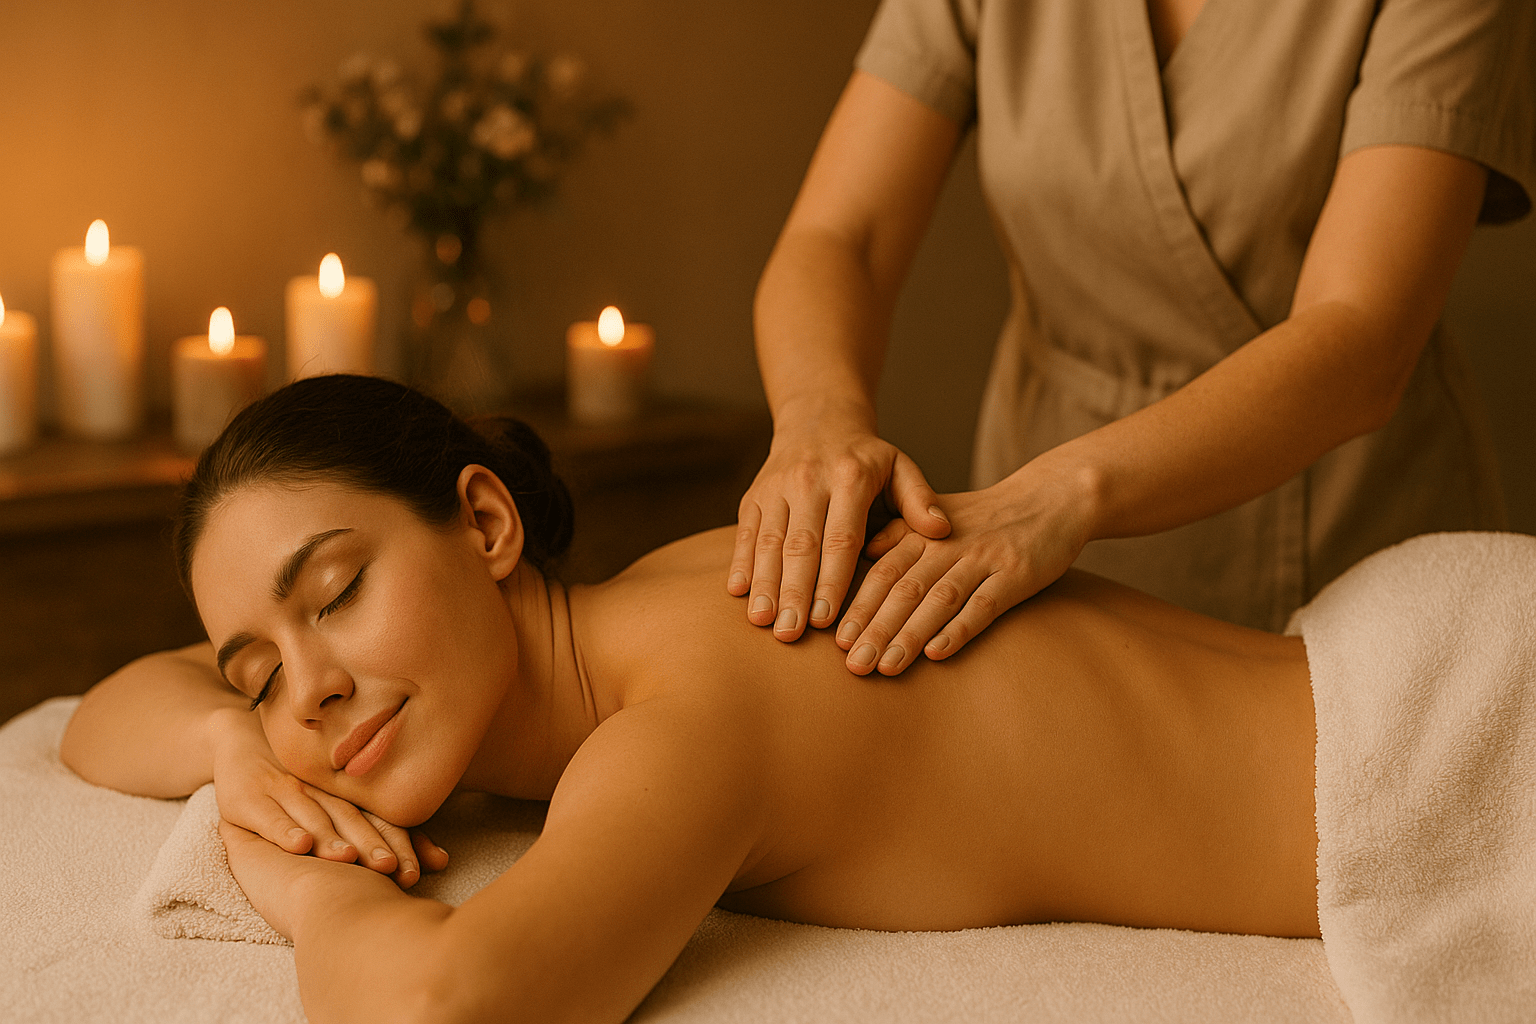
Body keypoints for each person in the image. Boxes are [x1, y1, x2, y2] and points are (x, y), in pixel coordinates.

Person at [61, 375, 1321, 1024]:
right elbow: (95, 717)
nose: (315, 689)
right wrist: (234, 745)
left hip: (1454, 750)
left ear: (485, 522)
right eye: (265, 669)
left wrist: (290, 868)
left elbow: (439, 1008)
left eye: (335, 591)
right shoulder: (634, 610)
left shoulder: (679, 713)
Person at [730, 0, 1535, 677]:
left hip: (1344, 530)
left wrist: (1058, 498)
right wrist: (817, 422)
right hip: (1021, 536)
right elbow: (846, 234)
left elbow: (1363, 336)